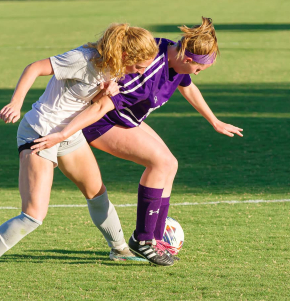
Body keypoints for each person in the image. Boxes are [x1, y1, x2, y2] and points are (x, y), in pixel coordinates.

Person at [30, 18, 242, 266]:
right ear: (187, 59)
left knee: (170, 164)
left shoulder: (171, 52)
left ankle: (155, 237)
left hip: (127, 119)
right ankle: (142, 240)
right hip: (102, 122)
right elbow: (99, 106)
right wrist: (64, 134)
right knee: (160, 164)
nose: (197, 74)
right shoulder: (145, 72)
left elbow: (188, 86)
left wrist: (214, 121)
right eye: (198, 69)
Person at [0, 23, 159, 278]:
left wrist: (107, 91)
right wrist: (16, 102)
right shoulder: (82, 59)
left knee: (97, 193)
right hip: (40, 133)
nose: (141, 72)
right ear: (124, 55)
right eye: (139, 66)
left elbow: (94, 102)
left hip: (68, 136)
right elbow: (34, 68)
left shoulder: (117, 68)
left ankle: (119, 250)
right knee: (33, 215)